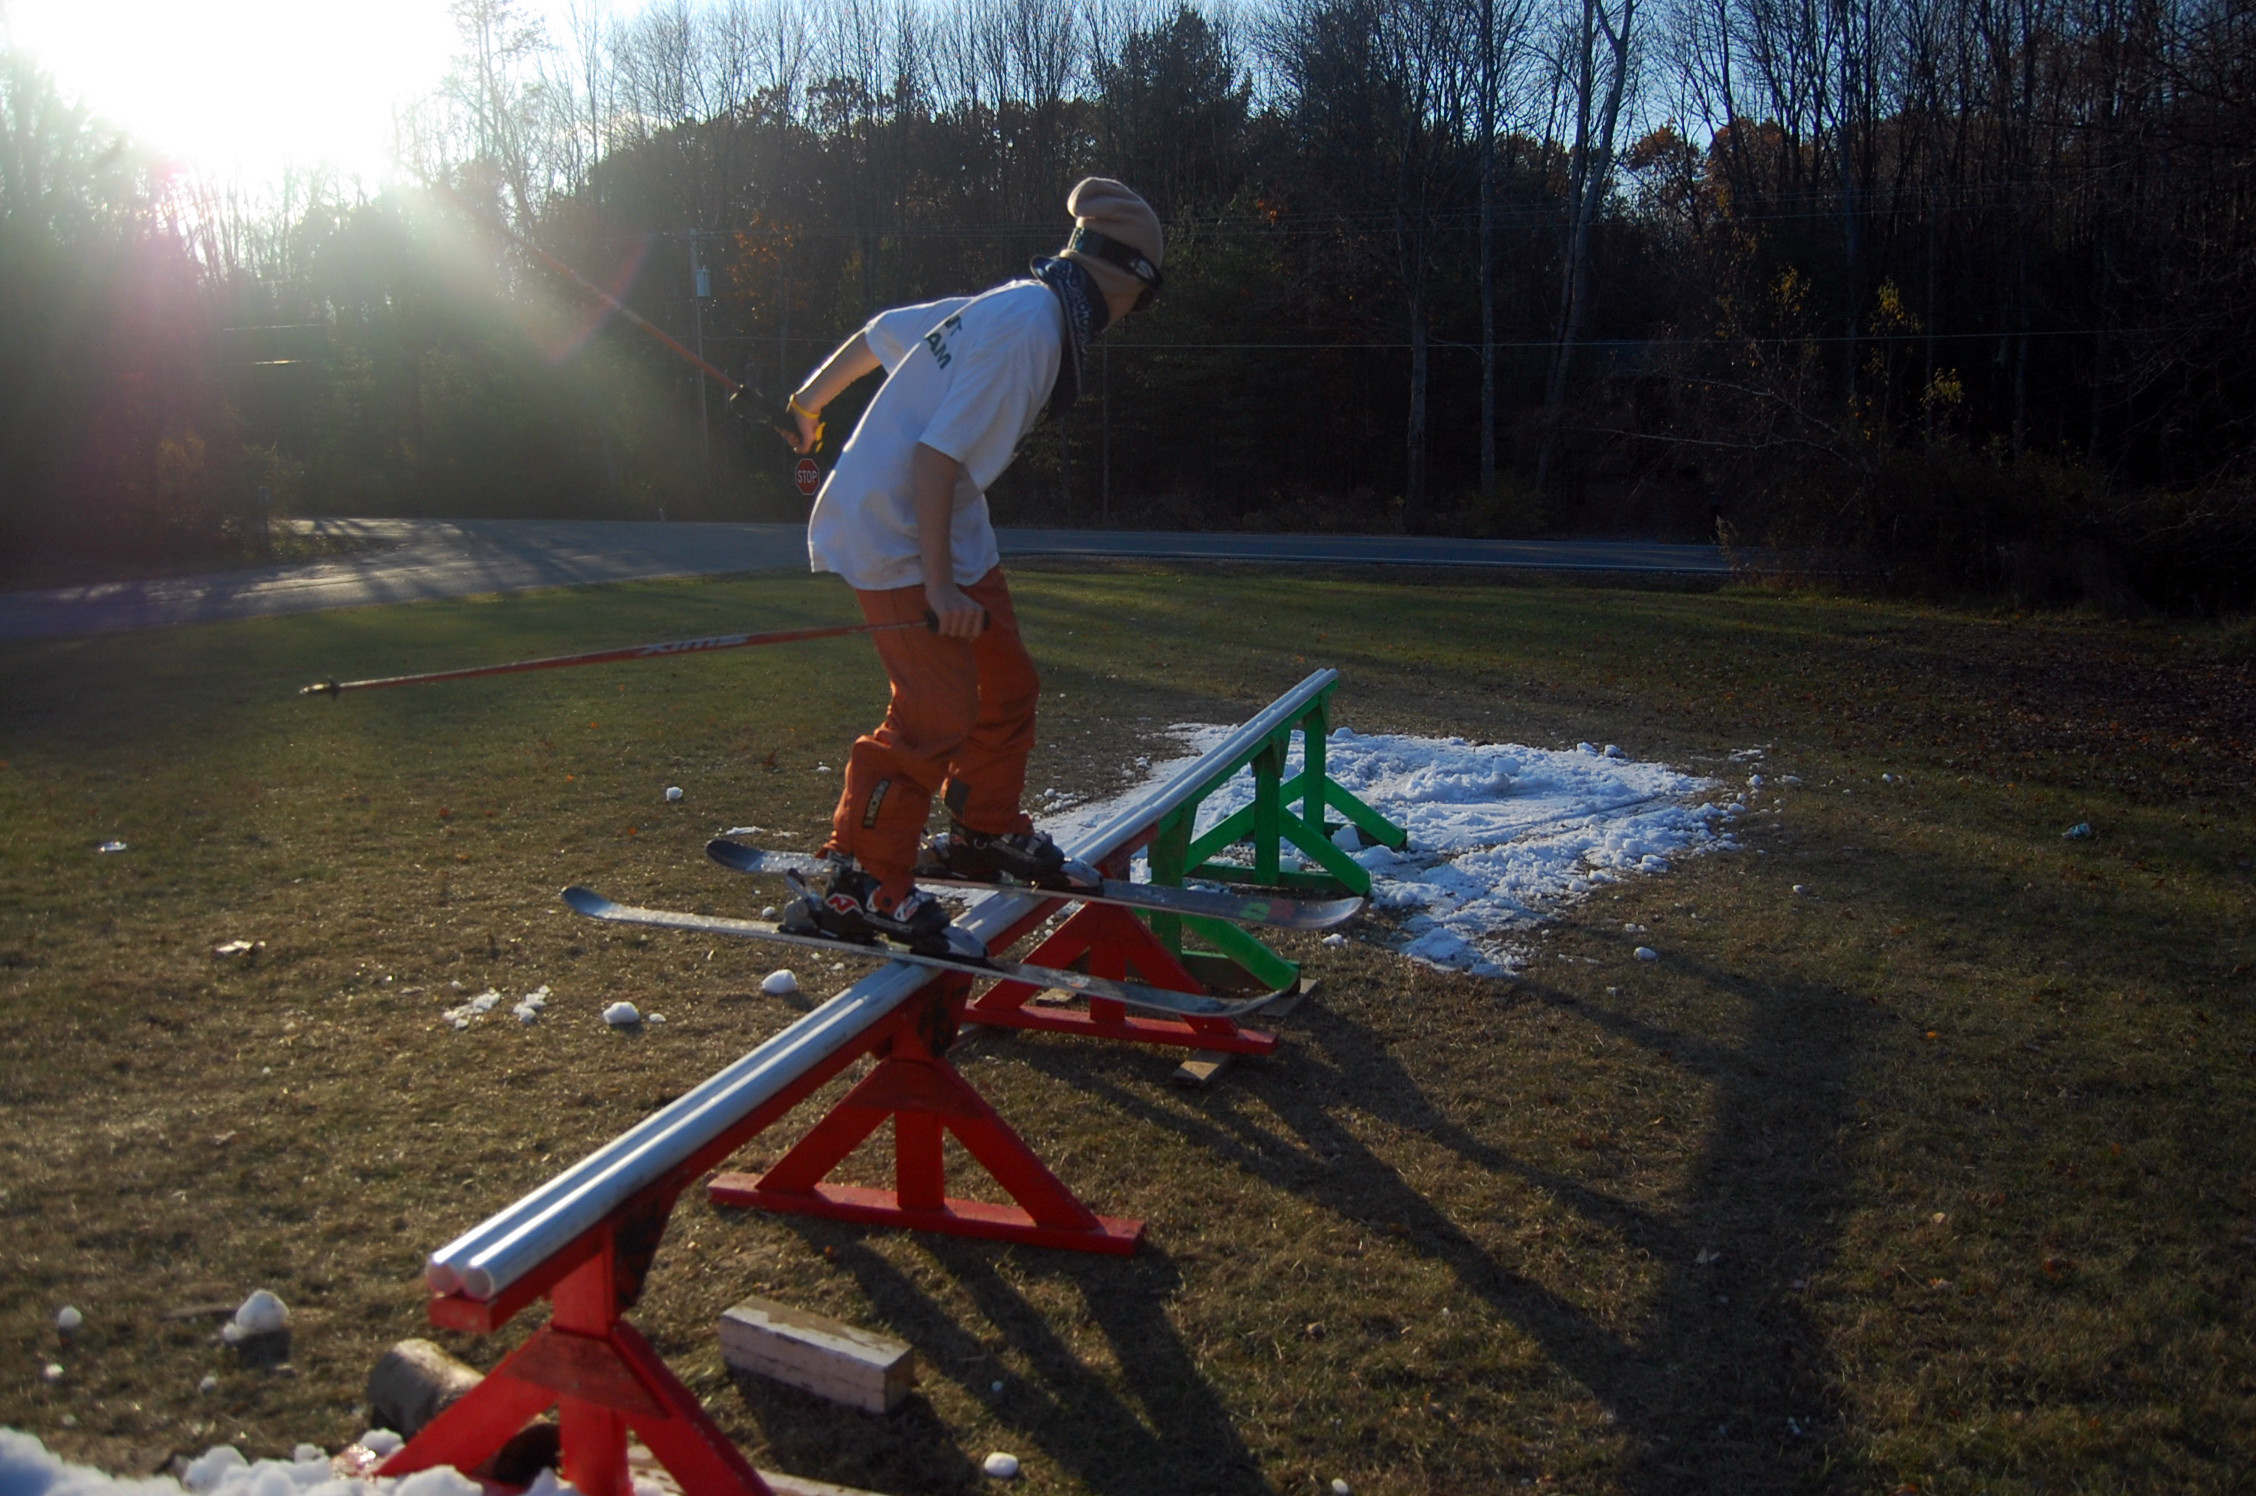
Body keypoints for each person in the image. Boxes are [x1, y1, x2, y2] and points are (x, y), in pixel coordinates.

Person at [774, 178, 1165, 951]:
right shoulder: (1035, 329)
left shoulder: (1019, 302)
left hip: (950, 526)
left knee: (1007, 685)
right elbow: (934, 457)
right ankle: (861, 882)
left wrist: (808, 402)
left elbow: (883, 332)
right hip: (895, 530)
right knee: (934, 715)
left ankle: (983, 832)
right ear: (1126, 285)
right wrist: (942, 585)